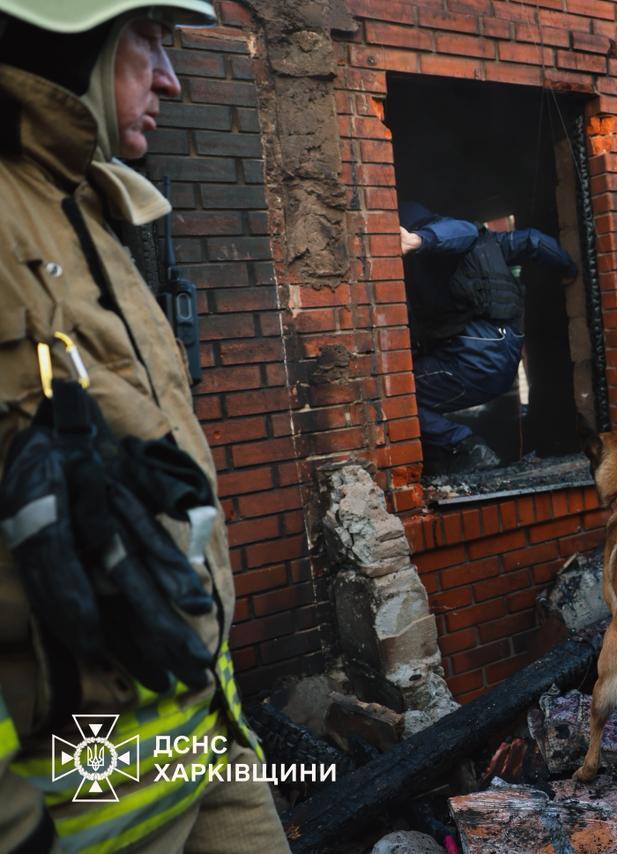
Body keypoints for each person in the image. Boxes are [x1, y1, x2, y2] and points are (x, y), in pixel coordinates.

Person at [0, 2, 288, 850]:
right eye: (150, 41)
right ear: (72, 33)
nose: (172, 78)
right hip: (80, 807)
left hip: (208, 735)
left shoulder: (87, 207)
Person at [398, 202, 577, 475]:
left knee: (397, 398)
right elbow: (534, 240)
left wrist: (417, 240)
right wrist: (568, 269)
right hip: (506, 357)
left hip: (474, 359)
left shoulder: (434, 243)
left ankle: (464, 445)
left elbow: (460, 230)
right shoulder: (492, 243)